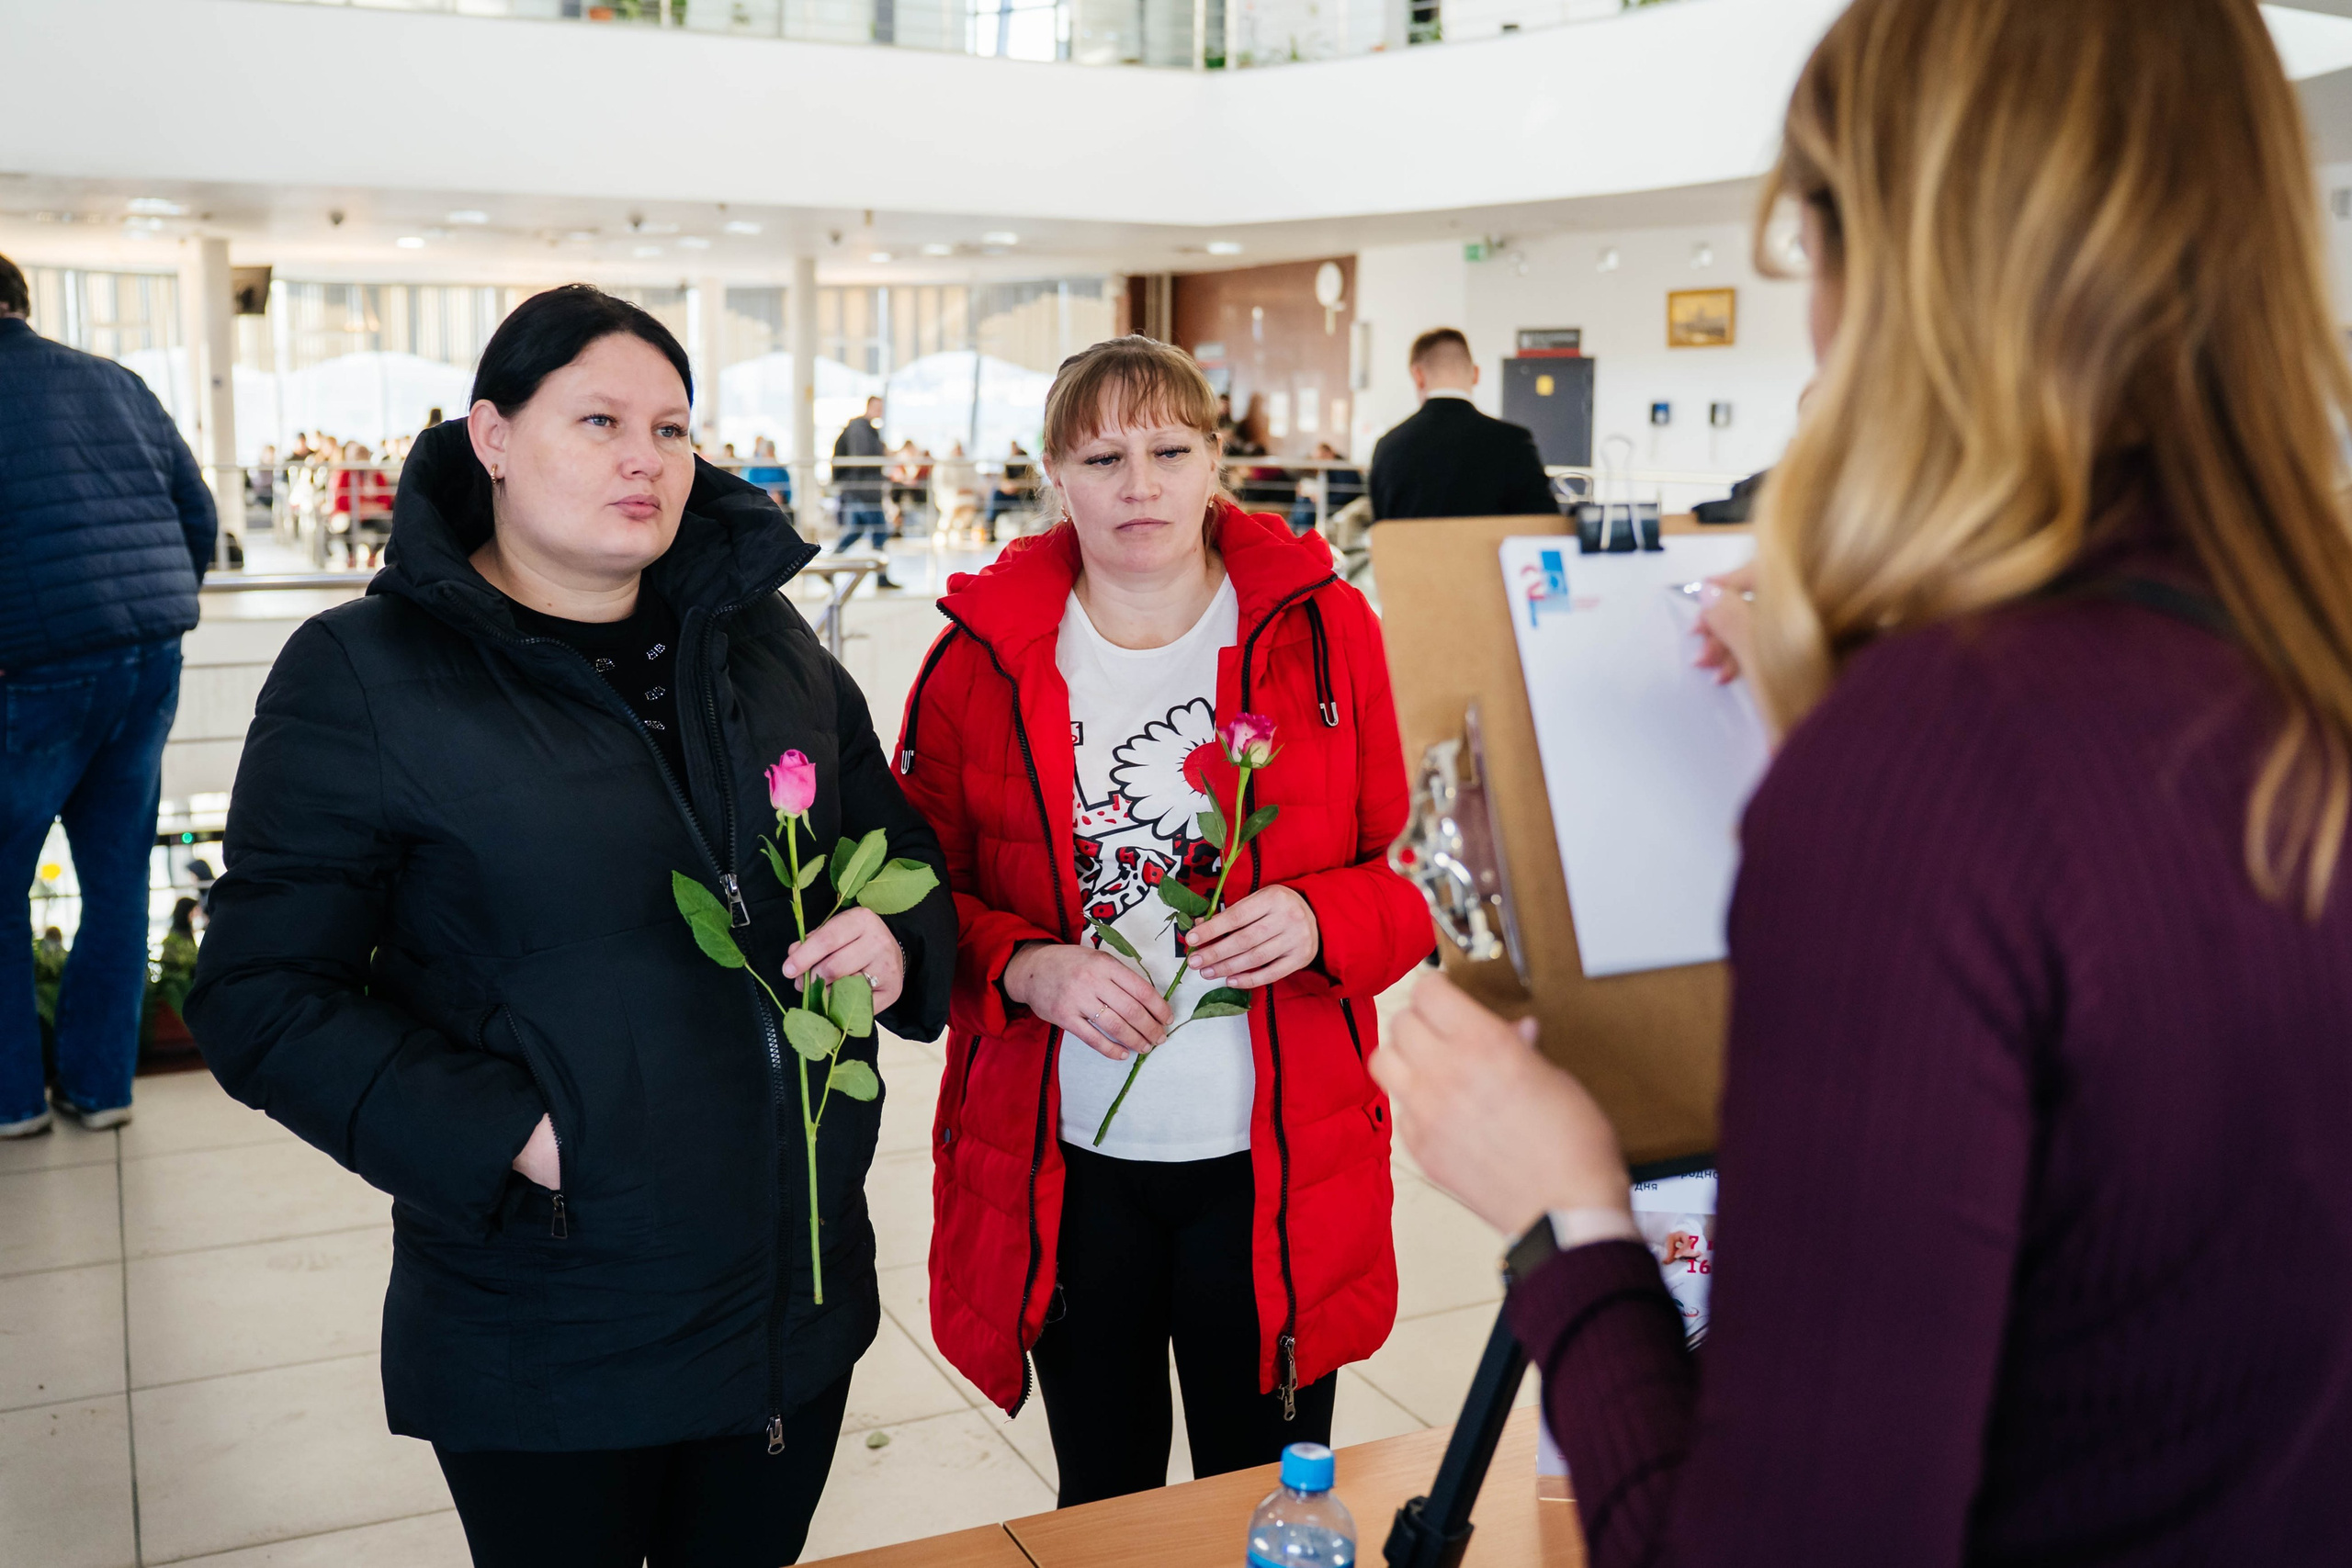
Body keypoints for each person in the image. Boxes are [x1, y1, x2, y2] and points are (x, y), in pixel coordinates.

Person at [1371, 1, 2352, 1562]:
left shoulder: (1931, 764)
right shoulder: (2296, 674)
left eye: (1811, 255)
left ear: (1883, 263)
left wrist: (1567, 1209)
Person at [186, 285, 956, 1567]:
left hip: (790, 1294)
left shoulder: (759, 639)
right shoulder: (365, 674)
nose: (643, 457)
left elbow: (906, 851)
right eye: (598, 419)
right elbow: (261, 994)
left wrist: (894, 940)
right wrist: (517, 1134)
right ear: (490, 435)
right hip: (547, 1320)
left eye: (669, 425)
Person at [895, 336, 1432, 1506]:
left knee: (1263, 1500)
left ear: (1213, 462)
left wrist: (1316, 914)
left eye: (1169, 450)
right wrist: (1032, 969)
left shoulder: (1328, 633)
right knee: (1109, 1501)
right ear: (1052, 471)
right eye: (1102, 455)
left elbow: (1412, 879)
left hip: (1276, 1167)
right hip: (1069, 1166)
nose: (1138, 485)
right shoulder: (976, 662)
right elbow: (916, 899)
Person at [0, 249, 216, 1139]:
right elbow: (196, 510)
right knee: (118, 881)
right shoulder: (117, 381)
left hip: (29, 672)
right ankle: (99, 1089)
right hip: (146, 658)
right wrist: (154, 611)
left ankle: (12, 1102)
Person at [1366, 329, 1556, 521]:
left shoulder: (1388, 447)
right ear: (1475, 374)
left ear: (1418, 375)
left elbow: (1383, 532)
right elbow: (1545, 525)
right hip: (1488, 552)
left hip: (1413, 552)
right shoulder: (1514, 442)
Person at [831, 395, 899, 588]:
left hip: (860, 488)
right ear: (869, 407)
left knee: (856, 530)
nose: (880, 411)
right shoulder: (860, 428)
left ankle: (831, 566)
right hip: (862, 489)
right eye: (877, 407)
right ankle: (880, 576)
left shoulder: (866, 429)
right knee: (879, 531)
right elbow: (862, 457)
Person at [1288, 442, 1363, 536]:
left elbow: (1346, 495)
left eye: (1320, 458)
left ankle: (1299, 535)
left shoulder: (1342, 469)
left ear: (1329, 454)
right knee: (1302, 501)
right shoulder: (1330, 469)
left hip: (1336, 505)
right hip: (1329, 502)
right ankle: (1294, 534)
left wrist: (1323, 499)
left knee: (1306, 507)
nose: (1317, 463)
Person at [981, 438, 1035, 542]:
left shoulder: (1026, 460)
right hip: (1010, 493)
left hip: (1024, 494)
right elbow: (1003, 480)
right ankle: (990, 525)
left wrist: (1018, 485)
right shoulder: (1008, 463)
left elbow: (1032, 480)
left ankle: (990, 524)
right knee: (996, 494)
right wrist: (1006, 486)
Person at [743, 434, 791, 516]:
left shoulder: (780, 468)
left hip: (778, 501)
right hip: (762, 500)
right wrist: (768, 495)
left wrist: (780, 495)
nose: (770, 454)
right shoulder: (755, 469)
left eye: (771, 451)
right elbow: (751, 487)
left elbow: (787, 488)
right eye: (768, 451)